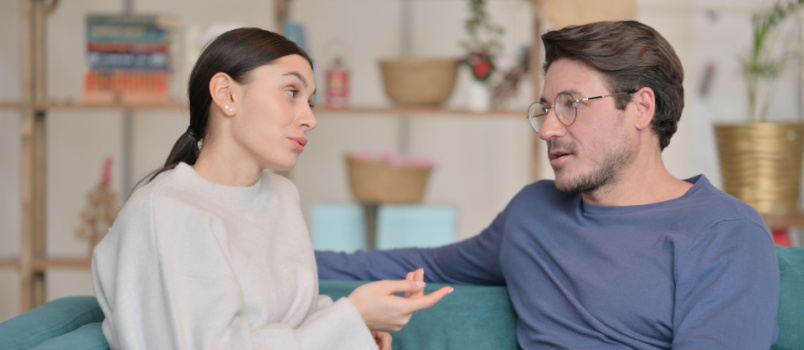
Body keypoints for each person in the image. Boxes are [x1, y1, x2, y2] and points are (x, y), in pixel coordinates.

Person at [316, 20, 780, 349]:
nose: (548, 129)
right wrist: (281, 256)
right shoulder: (532, 214)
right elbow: (414, 265)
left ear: (641, 108)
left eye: (571, 105)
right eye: (545, 109)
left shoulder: (725, 234)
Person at [91, 27, 453, 350]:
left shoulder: (281, 197)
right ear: (226, 94)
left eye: (309, 101)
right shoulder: (167, 211)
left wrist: (358, 330)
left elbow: (297, 319)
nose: (310, 119)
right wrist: (349, 319)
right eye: (291, 92)